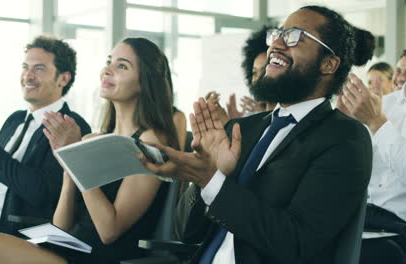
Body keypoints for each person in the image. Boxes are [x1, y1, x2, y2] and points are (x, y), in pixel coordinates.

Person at [141, 5, 374, 263]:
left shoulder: (344, 137)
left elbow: (295, 242)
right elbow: (185, 232)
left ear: (328, 64)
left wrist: (212, 182)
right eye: (277, 34)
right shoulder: (243, 129)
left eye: (294, 36)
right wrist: (206, 175)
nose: (276, 44)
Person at [0, 37, 179, 263]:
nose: (107, 70)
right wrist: (69, 162)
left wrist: (78, 160)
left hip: (100, 256)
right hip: (68, 245)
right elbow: (61, 225)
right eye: (109, 61)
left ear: (145, 81)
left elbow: (109, 231)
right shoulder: (93, 138)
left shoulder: (149, 140)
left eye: (121, 66)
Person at [340, 6, 406, 263]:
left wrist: (377, 124)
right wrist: (342, 126)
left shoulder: (377, 113)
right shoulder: (382, 105)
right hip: (355, 222)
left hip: (403, 236)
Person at [0, 36, 91, 234]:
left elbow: (42, 192)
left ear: (64, 78)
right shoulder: (15, 119)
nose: (28, 76)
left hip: (8, 227)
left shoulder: (71, 126)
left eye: (39, 69)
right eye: (25, 67)